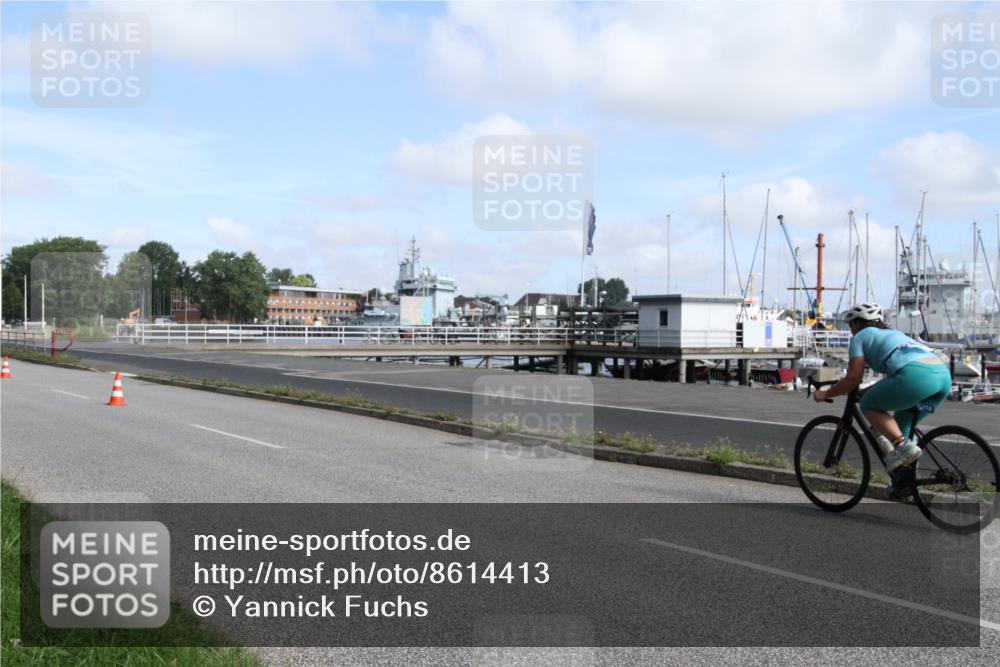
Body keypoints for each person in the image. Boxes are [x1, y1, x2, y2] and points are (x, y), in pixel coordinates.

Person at [812, 302, 952, 477]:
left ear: (856, 324)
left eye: (850, 326)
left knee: (868, 405)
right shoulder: (893, 334)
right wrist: (868, 388)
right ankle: (905, 483)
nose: (850, 330)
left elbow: (853, 378)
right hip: (942, 378)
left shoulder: (860, 337)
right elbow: (897, 374)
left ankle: (902, 446)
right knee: (902, 424)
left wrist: (825, 393)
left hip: (915, 376)